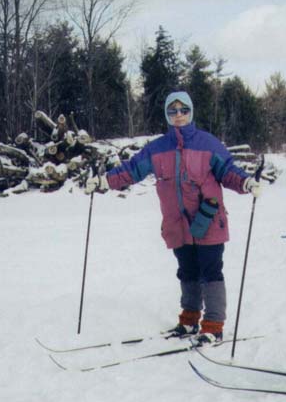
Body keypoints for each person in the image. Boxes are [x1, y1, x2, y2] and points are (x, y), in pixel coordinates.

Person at [85, 91, 263, 345]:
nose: (178, 115)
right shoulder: (158, 148)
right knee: (187, 271)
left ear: (191, 112)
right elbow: (132, 170)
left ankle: (213, 324)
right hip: (177, 224)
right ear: (166, 115)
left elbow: (228, 172)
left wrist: (246, 183)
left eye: (183, 110)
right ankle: (189, 320)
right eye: (172, 111)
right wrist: (103, 181)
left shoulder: (208, 143)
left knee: (211, 271)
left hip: (208, 220)